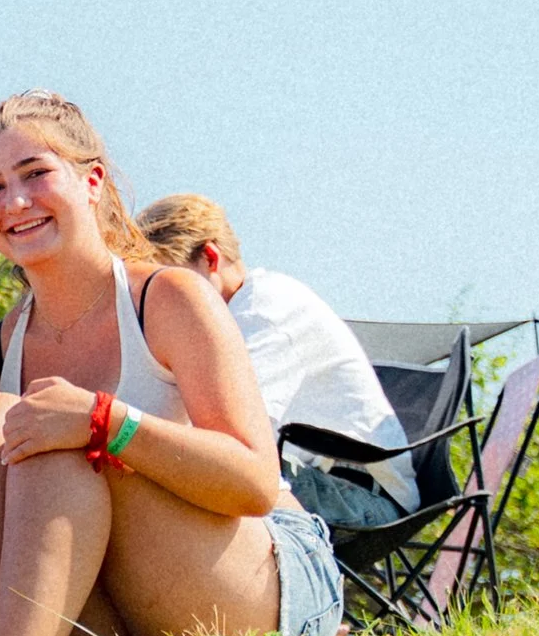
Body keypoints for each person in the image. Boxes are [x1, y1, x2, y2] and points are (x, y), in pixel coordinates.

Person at [0, 94, 345, 636]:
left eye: (35, 173)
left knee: (60, 436)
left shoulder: (167, 299)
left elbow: (256, 483)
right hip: (113, 622)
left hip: (256, 585)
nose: (15, 202)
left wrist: (109, 422)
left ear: (92, 181)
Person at [139, 195, 418, 526]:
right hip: (325, 477)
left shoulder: (263, 316)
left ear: (211, 258)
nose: (162, 301)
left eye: (173, 283)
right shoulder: (243, 309)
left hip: (360, 496)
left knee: (180, 477)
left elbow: (231, 439)